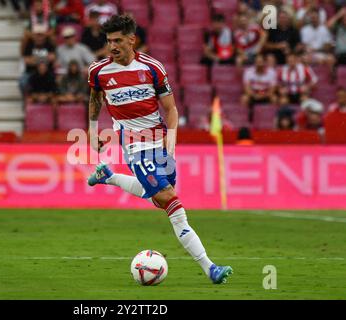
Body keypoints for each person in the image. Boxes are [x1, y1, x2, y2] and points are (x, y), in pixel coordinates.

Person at [86, 14, 233, 285]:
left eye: (118, 40)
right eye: (109, 41)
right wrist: (93, 131)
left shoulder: (153, 67)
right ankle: (210, 267)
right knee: (169, 199)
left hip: (160, 140)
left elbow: (171, 108)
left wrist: (172, 136)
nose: (113, 46)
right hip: (133, 144)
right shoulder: (99, 71)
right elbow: (95, 100)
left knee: (155, 195)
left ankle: (108, 176)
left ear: (132, 39)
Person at [241, 54, 278, 120]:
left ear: (265, 63)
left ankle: (272, 119)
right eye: (257, 62)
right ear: (254, 63)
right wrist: (254, 95)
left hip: (266, 94)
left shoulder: (271, 72)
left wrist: (263, 95)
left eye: (260, 62)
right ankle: (245, 119)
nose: (259, 65)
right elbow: (247, 88)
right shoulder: (248, 72)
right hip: (253, 94)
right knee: (244, 98)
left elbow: (272, 90)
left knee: (274, 98)